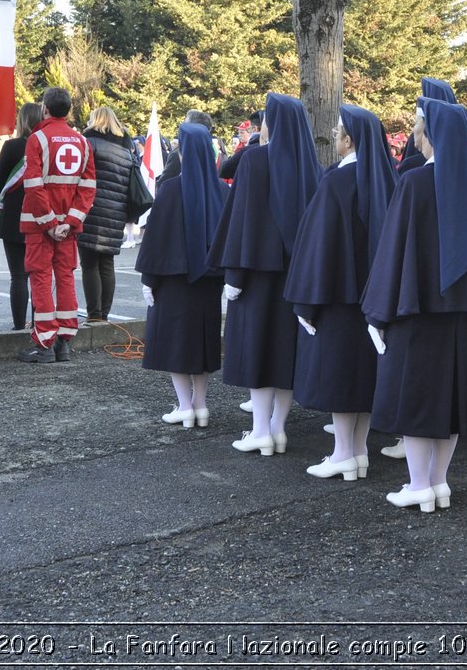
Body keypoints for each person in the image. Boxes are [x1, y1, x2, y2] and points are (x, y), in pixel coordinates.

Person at [363, 97, 467, 512]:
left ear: (431, 135)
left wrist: (377, 310)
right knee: (448, 398)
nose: (415, 135)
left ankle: (419, 483)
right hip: (459, 313)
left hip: (416, 310)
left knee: (418, 398)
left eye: (419, 127)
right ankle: (438, 483)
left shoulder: (415, 183)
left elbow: (393, 251)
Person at [287, 103, 397, 482]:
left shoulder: (336, 182)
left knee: (339, 377)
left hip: (336, 297)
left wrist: (306, 301)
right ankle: (358, 452)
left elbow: (319, 246)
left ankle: (342, 454)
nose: (334, 136)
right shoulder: (386, 177)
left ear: (349, 140)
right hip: (371, 298)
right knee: (363, 376)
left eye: (338, 132)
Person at [209, 92, 320, 456]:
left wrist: (233, 275)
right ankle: (278, 429)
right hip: (294, 276)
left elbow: (242, 220)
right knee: (284, 352)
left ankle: (260, 430)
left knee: (257, 350)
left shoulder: (256, 160)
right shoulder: (310, 165)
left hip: (257, 275)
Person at [138, 122, 227, 428]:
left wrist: (148, 279)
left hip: (174, 279)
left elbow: (156, 238)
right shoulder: (222, 189)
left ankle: (185, 405)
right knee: (203, 343)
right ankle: (200, 406)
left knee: (176, 343)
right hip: (209, 281)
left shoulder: (172, 188)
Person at [17, 87, 97, 363]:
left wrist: (50, 222)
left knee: (40, 279)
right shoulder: (82, 142)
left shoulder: (37, 138)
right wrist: (70, 221)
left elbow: (33, 185)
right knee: (65, 278)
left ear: (45, 108)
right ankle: (64, 341)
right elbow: (87, 188)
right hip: (68, 227)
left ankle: (44, 343)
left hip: (40, 226)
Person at [77, 107, 133, 322]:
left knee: (89, 263)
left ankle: (94, 314)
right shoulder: (125, 149)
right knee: (107, 263)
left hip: (90, 208)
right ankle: (105, 314)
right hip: (116, 211)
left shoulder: (88, 143)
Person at [0, 102, 42, 331]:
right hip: (40, 215)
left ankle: (19, 324)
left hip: (14, 217)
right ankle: (41, 324)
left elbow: (0, 182)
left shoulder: (11, 147)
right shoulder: (45, 145)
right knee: (39, 275)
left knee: (18, 276)